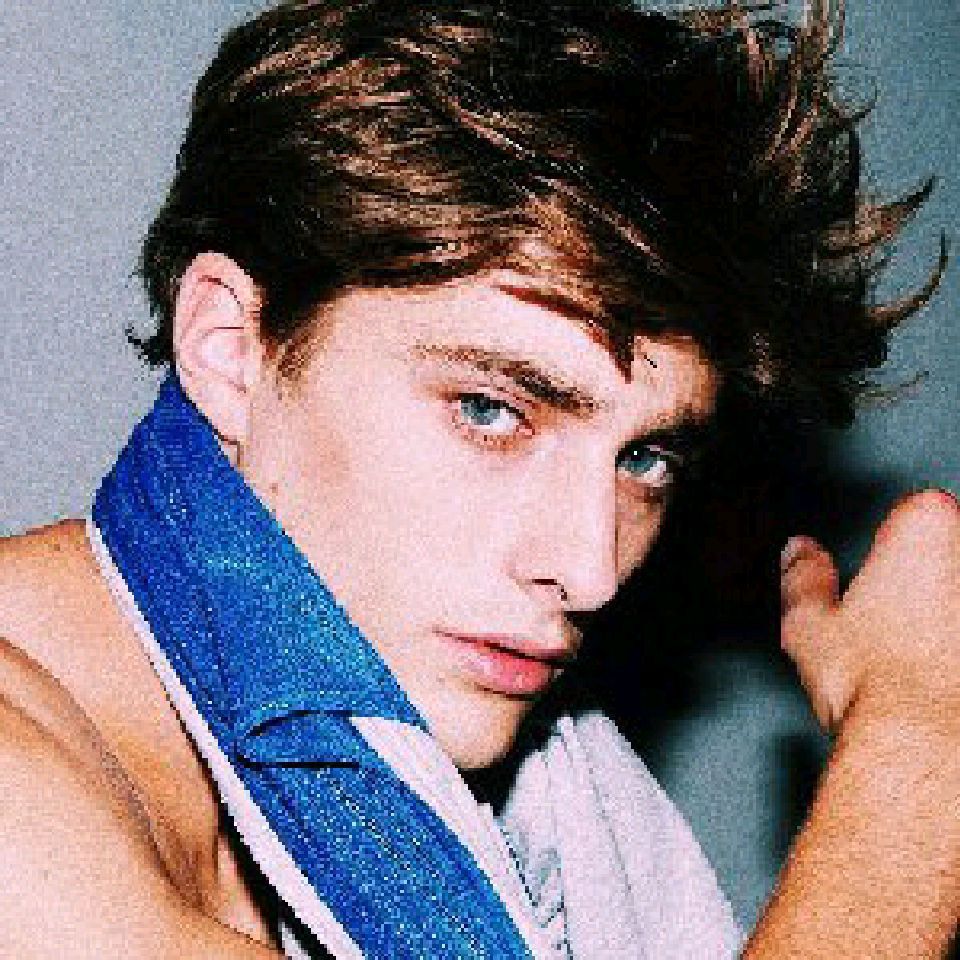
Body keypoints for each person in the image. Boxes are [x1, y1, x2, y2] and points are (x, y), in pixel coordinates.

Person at [0, 1, 956, 957]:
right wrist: (919, 737)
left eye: (646, 459)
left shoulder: (512, 796)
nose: (590, 571)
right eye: (490, 412)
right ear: (229, 347)